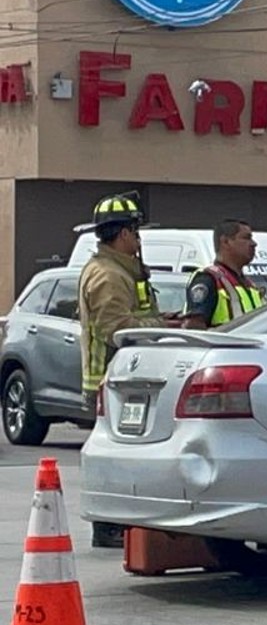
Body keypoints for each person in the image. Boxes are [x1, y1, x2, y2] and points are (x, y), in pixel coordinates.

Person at [77, 192, 166, 548]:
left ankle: (114, 523)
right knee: (113, 456)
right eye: (135, 231)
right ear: (123, 235)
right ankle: (107, 526)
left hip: (120, 379)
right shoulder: (108, 276)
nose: (139, 238)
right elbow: (116, 328)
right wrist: (164, 327)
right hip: (108, 380)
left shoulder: (120, 270)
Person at [180, 219, 264, 329]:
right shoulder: (208, 279)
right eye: (246, 238)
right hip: (223, 346)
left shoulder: (249, 285)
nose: (254, 243)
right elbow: (194, 326)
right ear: (225, 241)